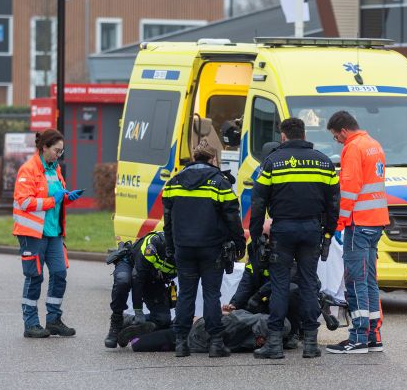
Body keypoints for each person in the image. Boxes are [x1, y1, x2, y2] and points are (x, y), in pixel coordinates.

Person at [250, 117, 339, 359]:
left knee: (279, 284)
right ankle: (311, 344)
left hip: (283, 230)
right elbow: (333, 204)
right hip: (312, 230)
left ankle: (275, 344)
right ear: (304, 134)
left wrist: (257, 236)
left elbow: (257, 203)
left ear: (283, 136)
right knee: (309, 283)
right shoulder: (323, 162)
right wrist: (329, 235)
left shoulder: (272, 163)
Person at [163, 139, 245, 358]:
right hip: (211, 248)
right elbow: (232, 217)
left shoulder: (174, 183)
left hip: (183, 248)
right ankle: (216, 343)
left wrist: (171, 248)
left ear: (194, 158)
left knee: (186, 295)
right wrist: (240, 243)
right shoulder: (219, 183)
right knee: (211, 295)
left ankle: (181, 343)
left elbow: (168, 221)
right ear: (212, 159)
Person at [325, 110, 388, 354]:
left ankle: (358, 337)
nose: (337, 141)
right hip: (375, 222)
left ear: (343, 131)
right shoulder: (374, 145)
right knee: (370, 280)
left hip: (358, 223)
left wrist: (338, 223)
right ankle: (373, 335)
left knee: (355, 281)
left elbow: (349, 189)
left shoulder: (353, 148)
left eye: (335, 137)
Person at [12, 129, 83, 338]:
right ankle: (31, 324)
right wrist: (54, 200)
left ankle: (53, 320)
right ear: (44, 147)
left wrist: (68, 197)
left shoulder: (55, 169)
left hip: (53, 232)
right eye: (56, 150)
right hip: (32, 234)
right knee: (35, 277)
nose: (58, 155)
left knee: (60, 274)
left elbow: (57, 195)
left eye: (61, 152)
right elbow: (24, 202)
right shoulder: (28, 170)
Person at [224, 238, 303, 349]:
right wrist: (234, 305)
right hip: (264, 300)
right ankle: (266, 334)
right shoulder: (255, 257)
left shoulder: (288, 253)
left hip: (284, 299)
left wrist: (258, 295)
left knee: (291, 291)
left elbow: (284, 280)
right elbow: (245, 285)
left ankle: (293, 334)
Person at [104, 231, 176, 348]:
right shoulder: (153, 246)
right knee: (123, 280)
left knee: (163, 320)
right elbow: (137, 279)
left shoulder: (188, 252)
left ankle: (129, 323)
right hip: (132, 265)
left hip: (153, 277)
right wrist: (138, 311)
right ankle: (117, 322)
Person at [128, 309, 291, 353]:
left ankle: (135, 325)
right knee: (174, 337)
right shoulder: (255, 329)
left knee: (175, 329)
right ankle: (137, 335)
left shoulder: (255, 320)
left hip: (204, 329)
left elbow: (236, 316)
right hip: (203, 334)